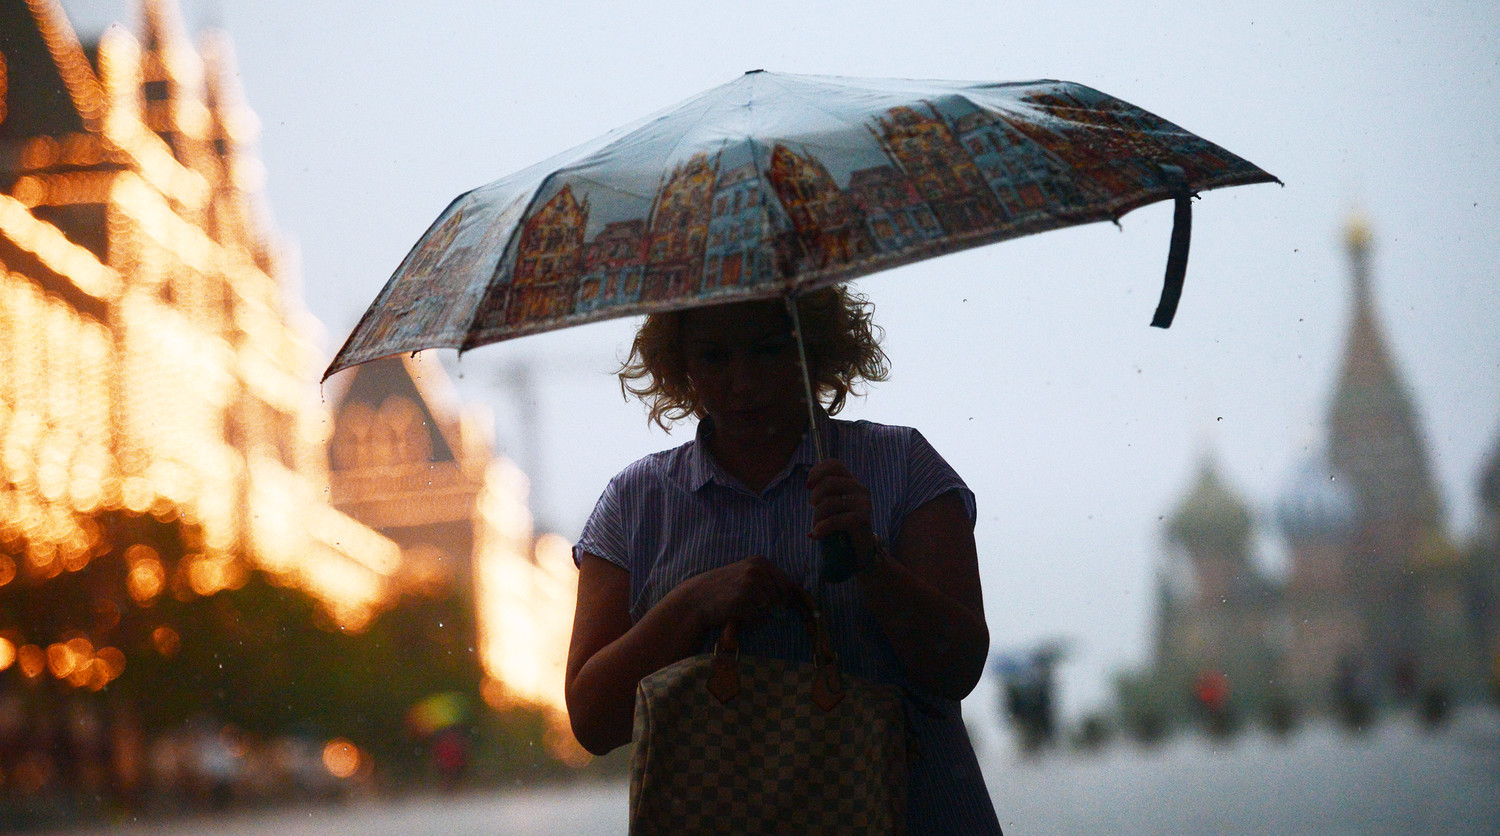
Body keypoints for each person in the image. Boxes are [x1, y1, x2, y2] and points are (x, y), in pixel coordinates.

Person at [565, 287, 1003, 834]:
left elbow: (958, 666)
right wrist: (692, 604)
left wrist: (869, 557)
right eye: (714, 356)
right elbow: (592, 719)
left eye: (769, 349)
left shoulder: (904, 466)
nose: (743, 382)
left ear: (813, 348)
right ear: (681, 362)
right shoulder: (634, 503)